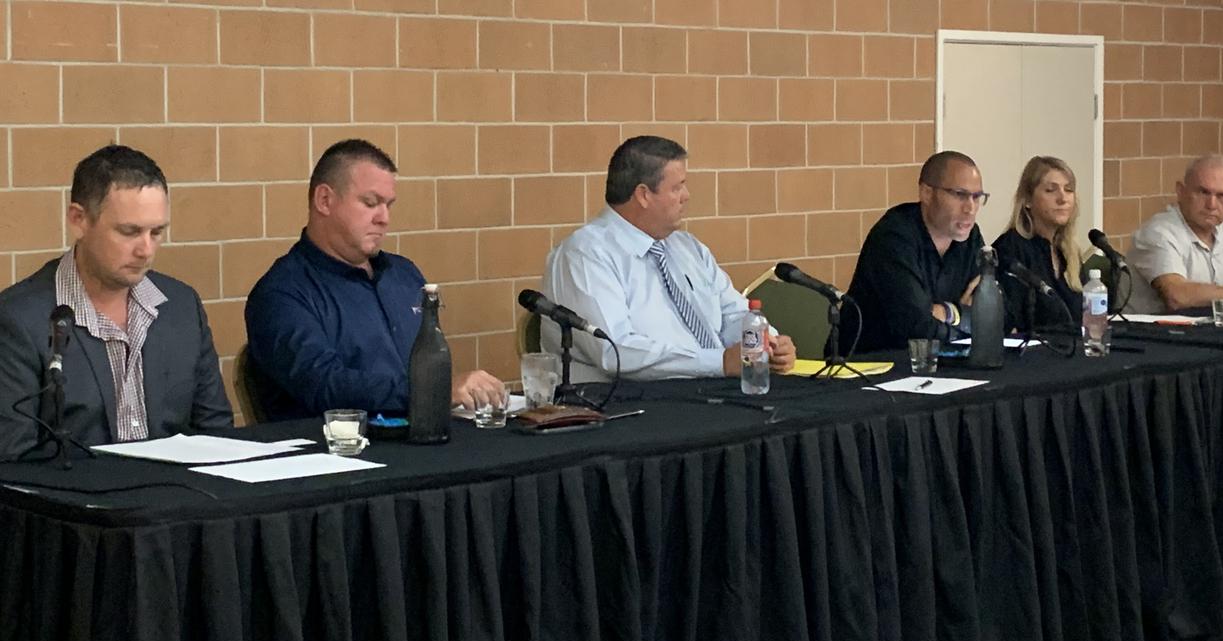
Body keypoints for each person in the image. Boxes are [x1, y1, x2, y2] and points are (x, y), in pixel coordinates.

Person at [245, 139, 505, 421]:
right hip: (339, 451)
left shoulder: (404, 275)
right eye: (370, 203)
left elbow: (431, 361)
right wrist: (431, 391)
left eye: (389, 205)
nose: (384, 218)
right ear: (324, 200)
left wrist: (447, 390)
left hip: (422, 437)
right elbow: (325, 385)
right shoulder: (282, 293)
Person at [0, 145, 231, 460]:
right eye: (129, 232)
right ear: (78, 220)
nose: (146, 250)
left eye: (157, 232)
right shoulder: (19, 319)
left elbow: (216, 433)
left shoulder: (181, 306)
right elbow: (14, 458)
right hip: (75, 504)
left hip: (177, 501)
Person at [541, 135, 796, 383]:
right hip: (626, 404)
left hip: (708, 391)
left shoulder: (688, 248)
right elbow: (614, 351)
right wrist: (718, 362)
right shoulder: (585, 254)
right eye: (677, 187)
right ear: (643, 195)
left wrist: (767, 344)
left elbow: (732, 313)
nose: (686, 195)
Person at [834, 150, 986, 354]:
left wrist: (948, 313)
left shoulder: (970, 235)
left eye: (977, 197)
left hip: (939, 365)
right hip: (869, 365)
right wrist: (966, 320)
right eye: (959, 195)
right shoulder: (894, 236)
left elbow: (996, 316)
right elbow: (916, 329)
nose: (970, 208)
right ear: (926, 193)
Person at [1128, 154, 1223, 313]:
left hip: (1211, 330)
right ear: (1181, 191)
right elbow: (1177, 296)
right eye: (1203, 192)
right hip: (1151, 334)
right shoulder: (1158, 233)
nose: (1212, 204)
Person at [992, 156, 1088, 331]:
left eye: (1069, 190)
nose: (1062, 198)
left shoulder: (1068, 251)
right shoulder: (1010, 249)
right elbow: (1011, 324)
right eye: (1051, 190)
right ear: (1027, 200)